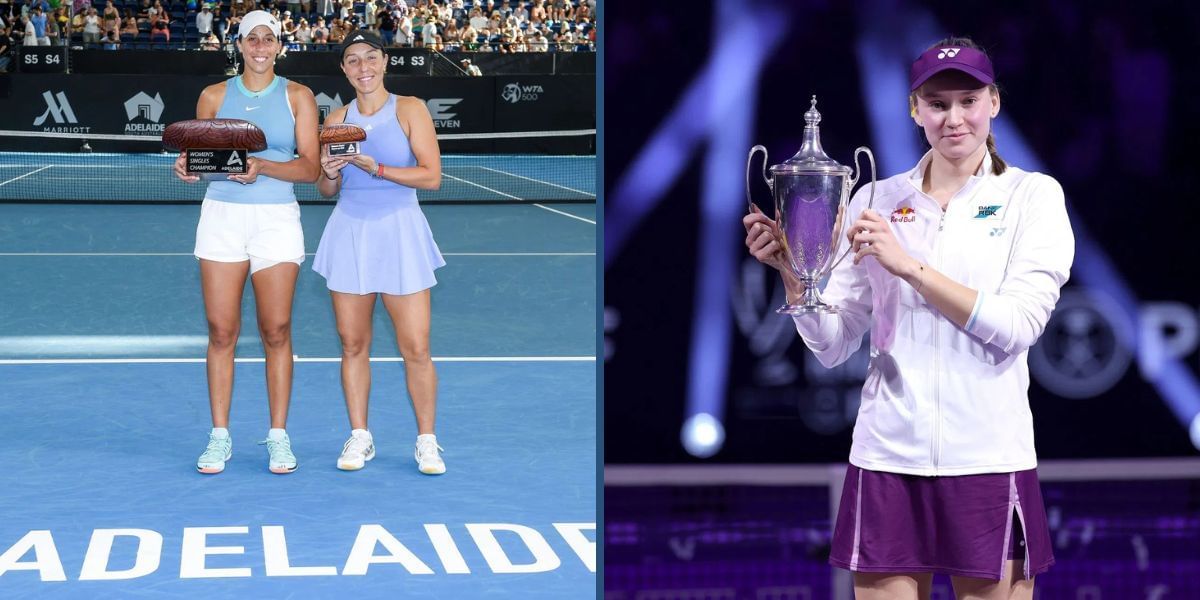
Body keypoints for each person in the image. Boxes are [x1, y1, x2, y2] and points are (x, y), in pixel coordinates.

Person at [744, 37, 1073, 599]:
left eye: (968, 100)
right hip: (888, 456)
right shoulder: (875, 196)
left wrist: (909, 266)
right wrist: (793, 272)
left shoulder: (1031, 197)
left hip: (988, 459)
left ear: (994, 102)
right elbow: (833, 342)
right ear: (914, 110)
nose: (954, 118)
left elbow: (1018, 325)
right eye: (938, 103)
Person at [171, 9, 320, 475]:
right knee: (222, 332)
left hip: (276, 218)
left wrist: (265, 167)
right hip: (221, 217)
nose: (259, 46)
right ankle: (219, 436)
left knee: (276, 331)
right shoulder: (213, 96)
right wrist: (189, 168)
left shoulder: (299, 97)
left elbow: (311, 169)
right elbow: (203, 159)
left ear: (279, 45)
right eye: (251, 39)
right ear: (239, 44)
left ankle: (278, 435)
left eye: (267, 39)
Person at [312, 29, 447, 475]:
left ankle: (427, 441)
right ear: (344, 69)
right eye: (353, 60)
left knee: (416, 347)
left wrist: (380, 168)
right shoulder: (334, 120)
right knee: (353, 344)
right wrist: (329, 171)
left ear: (385, 62)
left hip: (400, 231)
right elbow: (326, 189)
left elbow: (431, 177)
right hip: (350, 231)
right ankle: (360, 436)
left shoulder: (409, 109)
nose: (363, 67)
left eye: (371, 57)